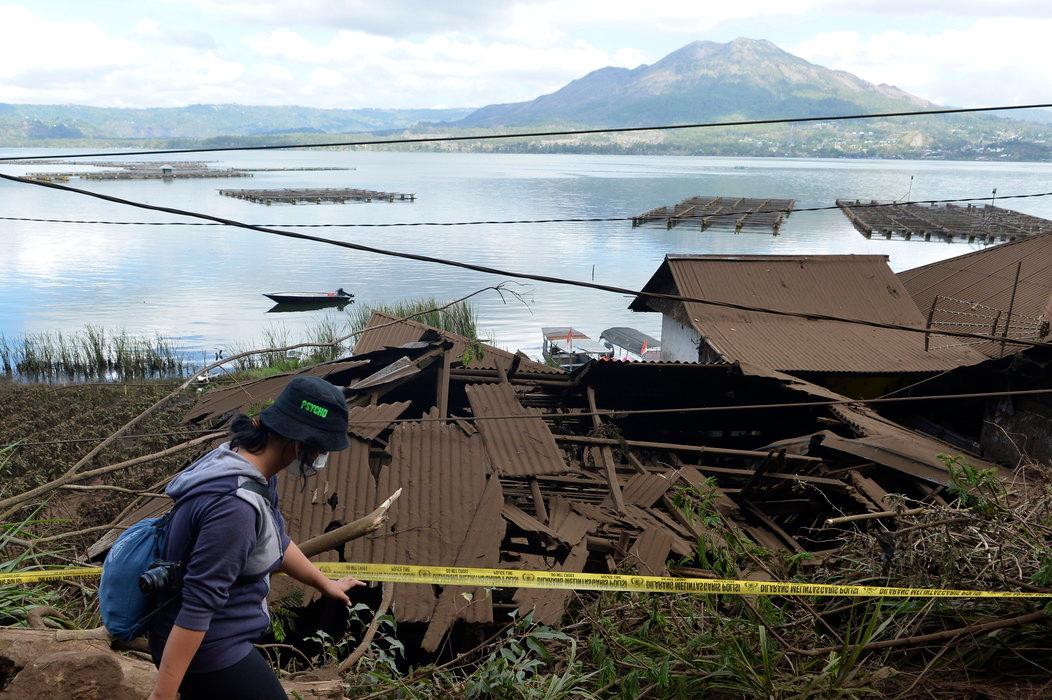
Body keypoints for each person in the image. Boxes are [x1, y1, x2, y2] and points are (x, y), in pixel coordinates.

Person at [148, 376, 364, 700]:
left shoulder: (246, 463)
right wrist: (163, 694)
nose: (321, 458)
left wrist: (323, 582)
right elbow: (198, 604)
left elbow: (277, 539)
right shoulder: (236, 508)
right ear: (298, 443)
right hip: (208, 646)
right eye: (320, 448)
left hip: (204, 635)